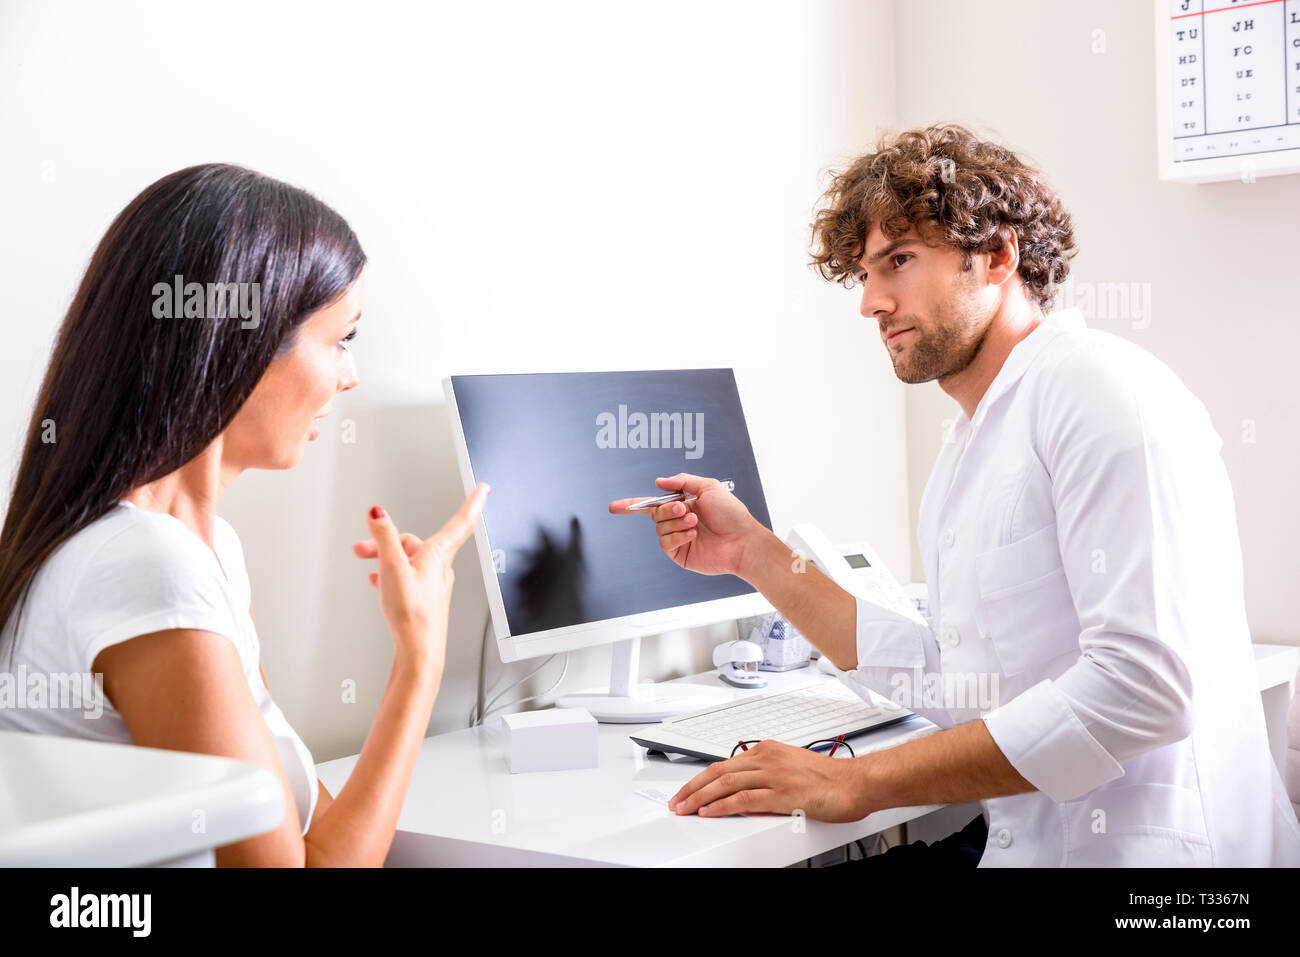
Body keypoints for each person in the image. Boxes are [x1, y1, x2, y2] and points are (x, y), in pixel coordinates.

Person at [611, 123, 1300, 867]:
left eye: (898, 261)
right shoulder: (970, 447)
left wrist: (861, 781)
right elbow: (951, 676)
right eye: (865, 275)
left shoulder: (1102, 393)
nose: (872, 302)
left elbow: (1146, 686)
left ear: (998, 255)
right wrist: (755, 553)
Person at [0, 163, 489, 866]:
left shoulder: (206, 552)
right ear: (242, 346)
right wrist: (420, 662)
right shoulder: (144, 567)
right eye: (340, 339)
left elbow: (313, 837)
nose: (349, 376)